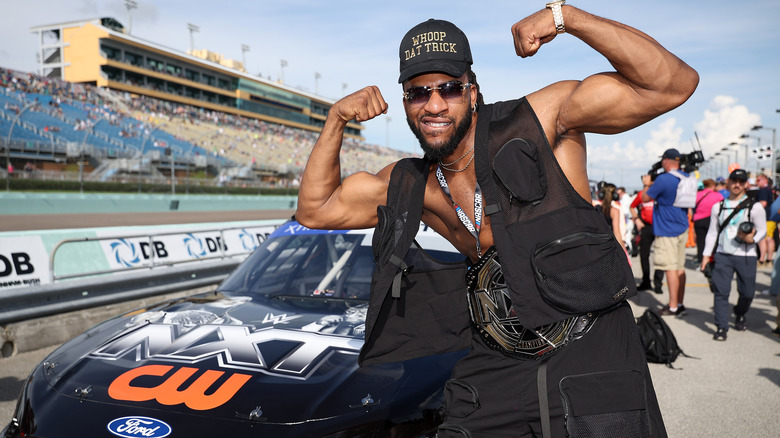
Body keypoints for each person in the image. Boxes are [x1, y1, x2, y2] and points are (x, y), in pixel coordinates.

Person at [296, 4, 697, 437]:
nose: (433, 104)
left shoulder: (541, 121)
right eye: (418, 92)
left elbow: (671, 86)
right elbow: (316, 209)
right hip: (499, 362)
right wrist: (335, 118)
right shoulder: (413, 182)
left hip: (591, 348)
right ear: (406, 103)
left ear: (472, 91)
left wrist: (566, 18)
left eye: (448, 88)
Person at [700, 169, 766, 341]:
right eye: (734, 180)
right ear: (728, 183)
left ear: (745, 184)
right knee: (721, 292)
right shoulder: (718, 207)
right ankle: (722, 327)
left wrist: (752, 239)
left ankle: (739, 313)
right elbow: (712, 233)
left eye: (741, 181)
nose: (737, 184)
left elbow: (762, 230)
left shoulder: (755, 207)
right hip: (723, 254)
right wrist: (706, 255)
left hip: (746, 255)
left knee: (748, 293)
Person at [641, 149, 691, 316]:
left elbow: (645, 198)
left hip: (667, 228)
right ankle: (681, 303)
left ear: (666, 161)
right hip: (682, 226)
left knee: (670, 268)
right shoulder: (686, 178)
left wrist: (647, 183)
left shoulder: (663, 179)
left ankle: (673, 306)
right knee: (680, 268)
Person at [631, 182, 665, 294]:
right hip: (646, 227)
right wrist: (636, 219)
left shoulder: (661, 193)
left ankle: (658, 283)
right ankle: (646, 281)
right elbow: (632, 206)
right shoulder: (642, 194)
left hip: (660, 227)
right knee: (644, 254)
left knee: (660, 256)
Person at [692, 179, 724, 262]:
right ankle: (711, 259)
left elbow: (692, 207)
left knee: (700, 241)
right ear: (713, 186)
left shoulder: (697, 195)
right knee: (713, 240)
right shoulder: (718, 195)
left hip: (698, 220)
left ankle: (700, 261)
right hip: (712, 220)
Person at [755, 174, 774, 264]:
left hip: (765, 217)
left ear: (764, 180)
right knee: (769, 238)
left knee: (762, 238)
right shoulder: (770, 189)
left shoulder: (763, 190)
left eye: (758, 180)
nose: (756, 182)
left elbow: (763, 203)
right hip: (772, 217)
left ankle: (761, 259)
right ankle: (769, 259)